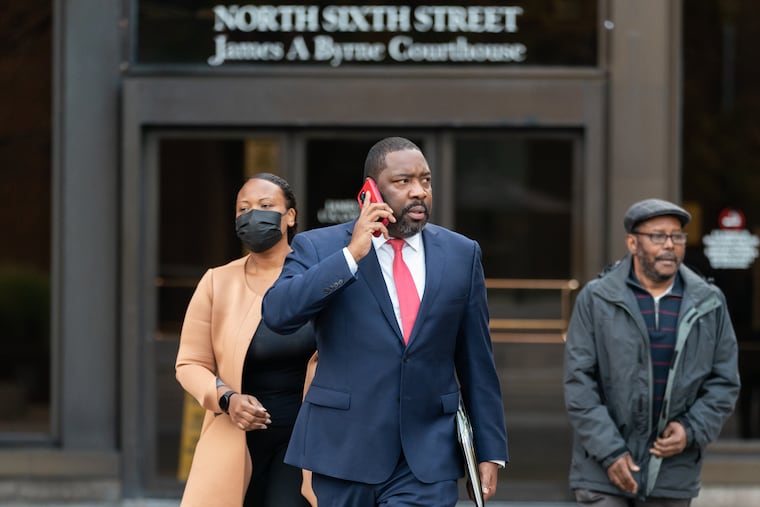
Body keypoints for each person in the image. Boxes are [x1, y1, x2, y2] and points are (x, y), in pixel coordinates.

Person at [261, 136, 509, 506]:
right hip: (343, 452)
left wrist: (489, 449)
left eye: (425, 181)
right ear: (371, 191)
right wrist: (350, 255)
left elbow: (476, 360)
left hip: (427, 459)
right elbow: (278, 314)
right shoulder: (320, 247)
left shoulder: (461, 254)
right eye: (403, 181)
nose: (419, 192)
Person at [563, 198, 741, 506]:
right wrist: (610, 452)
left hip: (673, 473)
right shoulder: (596, 298)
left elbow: (724, 381)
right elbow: (579, 384)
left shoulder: (709, 303)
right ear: (633, 243)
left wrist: (691, 430)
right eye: (658, 236)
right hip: (601, 472)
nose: (670, 245)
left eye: (678, 236)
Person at [175, 173, 317, 507]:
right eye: (243, 208)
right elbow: (189, 363)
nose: (253, 215)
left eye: (266, 206)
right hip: (236, 436)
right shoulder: (216, 282)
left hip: (304, 439)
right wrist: (226, 398)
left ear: (290, 216)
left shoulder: (316, 280)